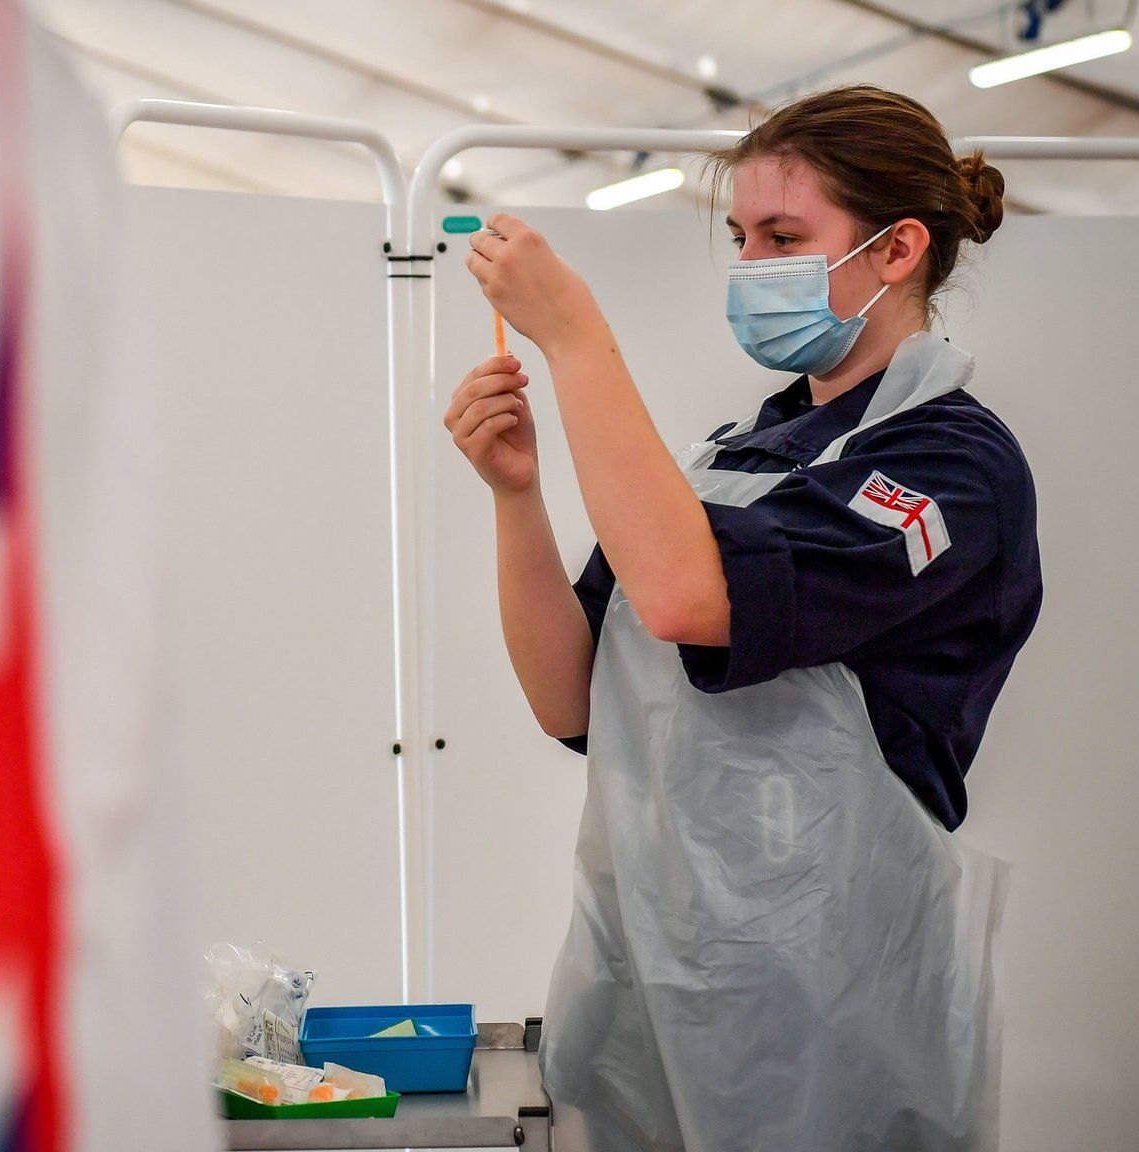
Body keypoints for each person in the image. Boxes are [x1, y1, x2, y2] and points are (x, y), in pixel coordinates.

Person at [445, 85, 1041, 1150]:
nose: (752, 266)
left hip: (831, 1017)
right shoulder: (728, 460)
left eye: (782, 236)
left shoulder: (948, 470)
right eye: (740, 238)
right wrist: (515, 496)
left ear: (896, 249)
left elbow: (682, 600)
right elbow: (563, 692)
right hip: (650, 987)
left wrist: (575, 339)